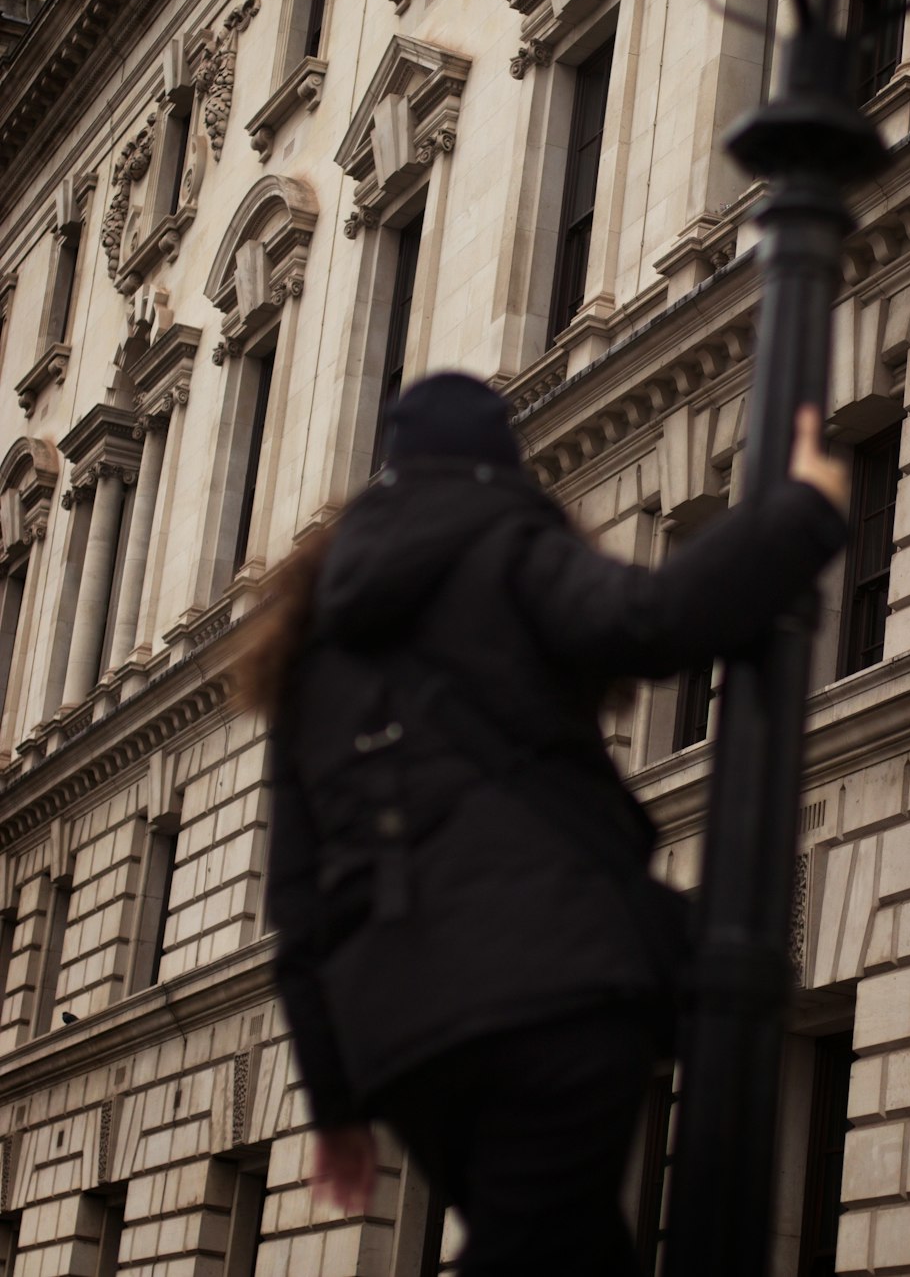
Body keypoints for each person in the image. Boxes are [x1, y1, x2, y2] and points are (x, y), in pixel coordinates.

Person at [241, 371, 848, 1277]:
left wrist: (334, 1106)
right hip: (548, 988)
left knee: (571, 1252)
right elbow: (654, 620)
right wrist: (805, 509)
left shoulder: (308, 650)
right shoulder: (508, 544)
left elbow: (296, 909)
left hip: (401, 1041)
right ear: (498, 465)